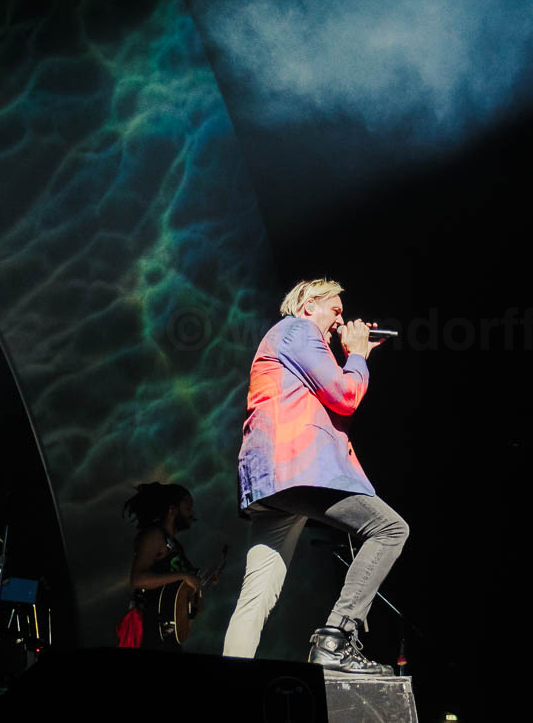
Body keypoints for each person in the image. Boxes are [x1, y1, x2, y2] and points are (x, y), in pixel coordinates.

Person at [223, 278, 409, 675]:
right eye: (335, 310)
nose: (340, 320)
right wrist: (356, 356)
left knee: (258, 594)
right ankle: (335, 638)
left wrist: (353, 353)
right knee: (390, 530)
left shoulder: (288, 338)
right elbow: (345, 395)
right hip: (298, 468)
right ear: (309, 304)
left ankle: (232, 681)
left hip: (273, 479)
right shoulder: (300, 330)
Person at [123, 482, 202, 651]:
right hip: (150, 631)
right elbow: (137, 579)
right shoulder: (154, 536)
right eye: (188, 508)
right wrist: (183, 576)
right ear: (172, 510)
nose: (191, 514)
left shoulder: (175, 545)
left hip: (169, 635)